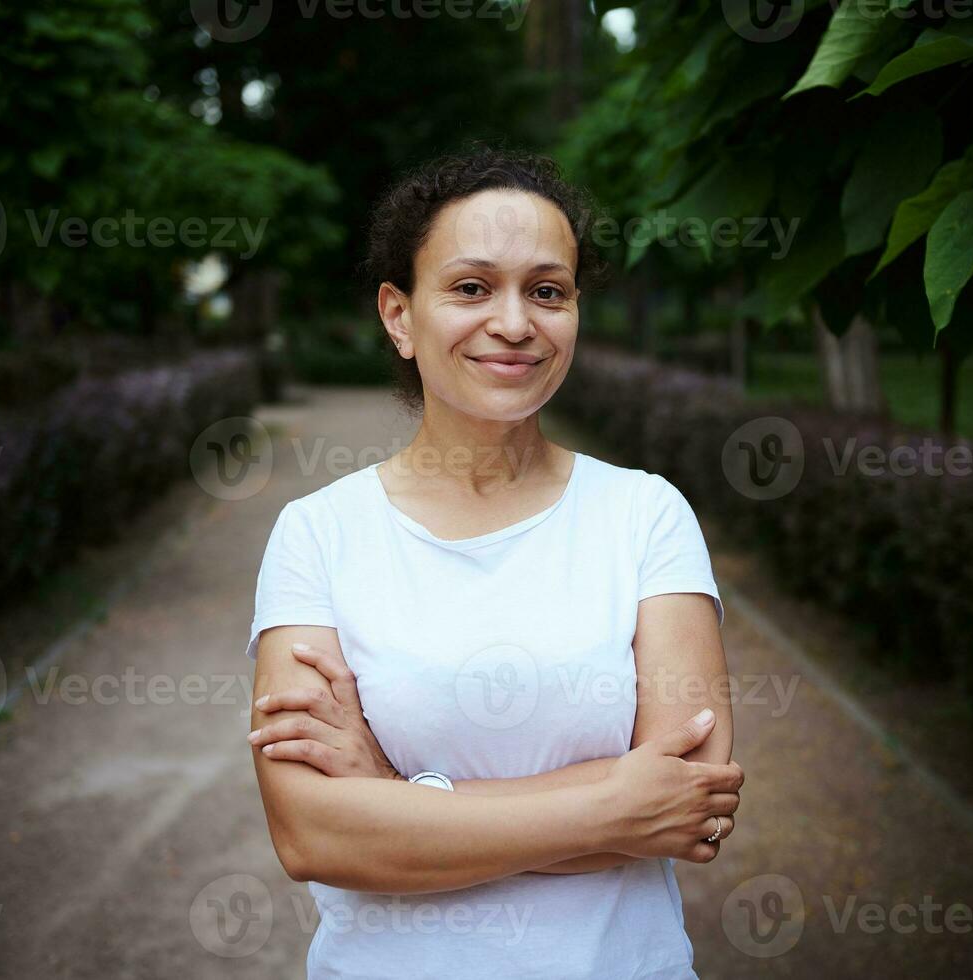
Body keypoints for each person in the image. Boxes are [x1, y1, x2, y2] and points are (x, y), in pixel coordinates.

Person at [244, 144, 743, 979]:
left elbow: (688, 809)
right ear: (399, 316)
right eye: (471, 287)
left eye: (547, 291)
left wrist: (402, 800)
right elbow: (311, 834)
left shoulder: (644, 515)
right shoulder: (316, 535)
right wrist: (611, 805)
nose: (514, 323)